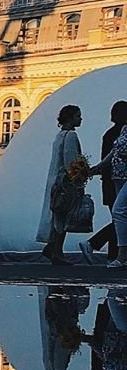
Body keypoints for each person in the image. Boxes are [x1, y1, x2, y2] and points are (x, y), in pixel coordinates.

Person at [81, 102, 127, 264]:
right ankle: (104, 249)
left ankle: (112, 254)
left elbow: (108, 157)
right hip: (115, 181)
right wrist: (98, 168)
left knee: (119, 217)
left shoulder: (111, 133)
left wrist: (98, 169)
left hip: (112, 180)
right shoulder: (120, 133)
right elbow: (112, 155)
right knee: (120, 216)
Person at [38, 104, 84, 265]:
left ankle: (52, 248)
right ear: (71, 118)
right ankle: (57, 251)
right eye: (78, 116)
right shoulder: (70, 135)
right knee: (62, 217)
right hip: (65, 183)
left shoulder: (60, 135)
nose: (81, 119)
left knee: (58, 215)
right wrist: (78, 180)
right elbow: (71, 161)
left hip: (55, 181)